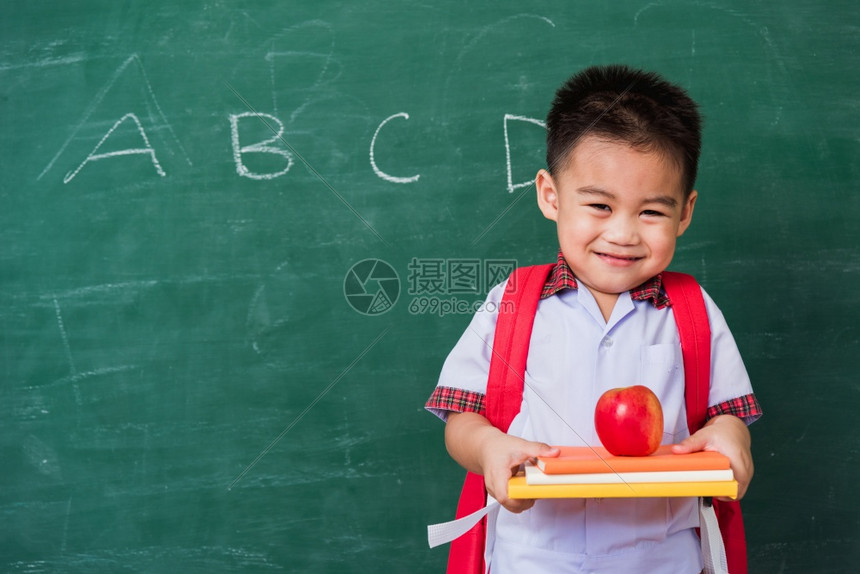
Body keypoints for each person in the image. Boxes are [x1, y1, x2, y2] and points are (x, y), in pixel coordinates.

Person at [425, 65, 762, 573]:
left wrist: (732, 436)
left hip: (663, 557)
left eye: (651, 212)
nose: (623, 233)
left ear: (685, 213)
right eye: (600, 205)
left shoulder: (692, 309)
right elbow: (461, 416)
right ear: (551, 195)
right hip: (533, 554)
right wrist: (489, 448)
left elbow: (727, 413)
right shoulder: (511, 301)